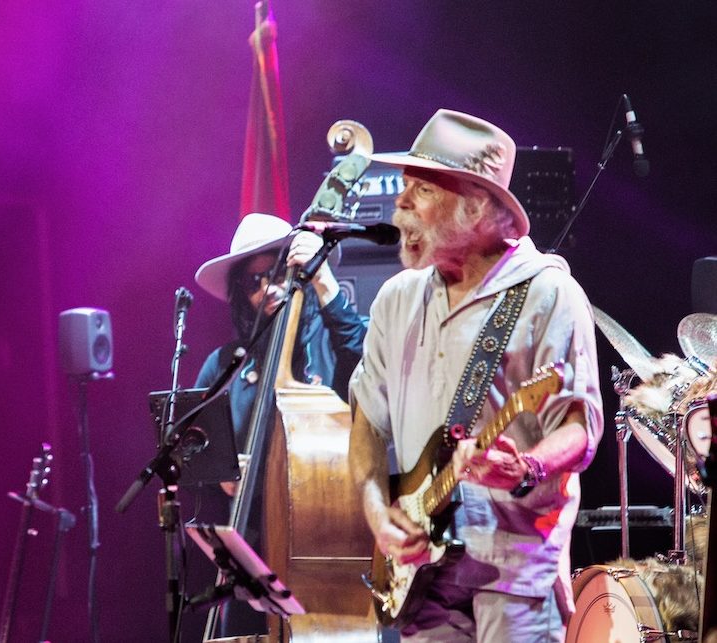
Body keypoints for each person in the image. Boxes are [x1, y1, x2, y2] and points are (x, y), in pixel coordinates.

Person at [348, 110, 604, 642]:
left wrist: (527, 465)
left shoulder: (548, 293)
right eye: (404, 186)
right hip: (421, 575)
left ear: (476, 207)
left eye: (421, 190)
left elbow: (580, 427)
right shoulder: (396, 299)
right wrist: (378, 515)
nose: (400, 203)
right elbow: (367, 422)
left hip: (515, 574)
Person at [191, 212, 368, 635]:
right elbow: (194, 449)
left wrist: (324, 283)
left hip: (328, 545)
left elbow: (370, 367)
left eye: (275, 273)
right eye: (252, 282)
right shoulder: (224, 364)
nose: (266, 289)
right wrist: (221, 475)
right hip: (253, 554)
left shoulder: (334, 341)